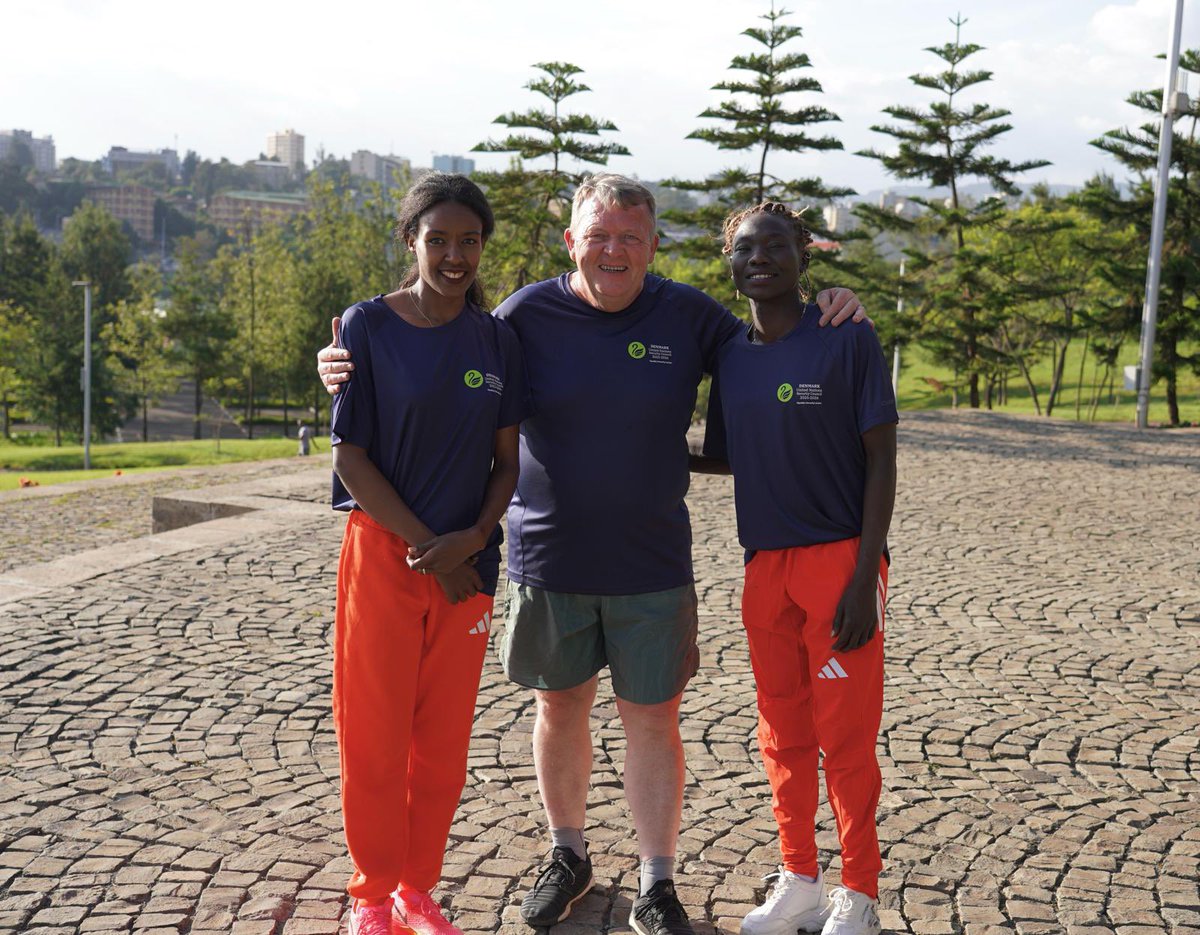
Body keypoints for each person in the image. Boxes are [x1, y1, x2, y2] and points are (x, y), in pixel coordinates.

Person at [318, 174, 866, 935]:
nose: (613, 251)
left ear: (652, 247)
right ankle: (565, 852)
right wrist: (341, 361)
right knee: (559, 707)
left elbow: (774, 333)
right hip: (548, 559)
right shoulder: (519, 317)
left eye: (630, 238)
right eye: (598, 236)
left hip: (652, 562)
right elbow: (435, 354)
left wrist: (832, 305)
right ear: (572, 242)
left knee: (652, 720)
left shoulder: (689, 315)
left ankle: (657, 879)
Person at [328, 172, 531, 935]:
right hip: (387, 557)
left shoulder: (497, 339)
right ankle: (372, 897)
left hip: (468, 565)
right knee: (374, 733)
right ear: (411, 240)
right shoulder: (366, 328)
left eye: (469, 241)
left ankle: (418, 887)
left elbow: (505, 462)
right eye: (438, 238)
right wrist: (428, 547)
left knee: (442, 744)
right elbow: (351, 459)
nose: (455, 255)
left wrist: (473, 541)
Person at [699, 202, 897, 935]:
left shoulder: (847, 337)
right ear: (731, 263)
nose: (761, 259)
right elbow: (723, 454)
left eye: (775, 246)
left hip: (839, 560)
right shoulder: (730, 355)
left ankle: (860, 892)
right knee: (782, 733)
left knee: (846, 739)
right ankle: (800, 878)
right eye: (746, 249)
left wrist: (862, 575)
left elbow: (881, 459)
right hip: (765, 566)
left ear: (803, 256)